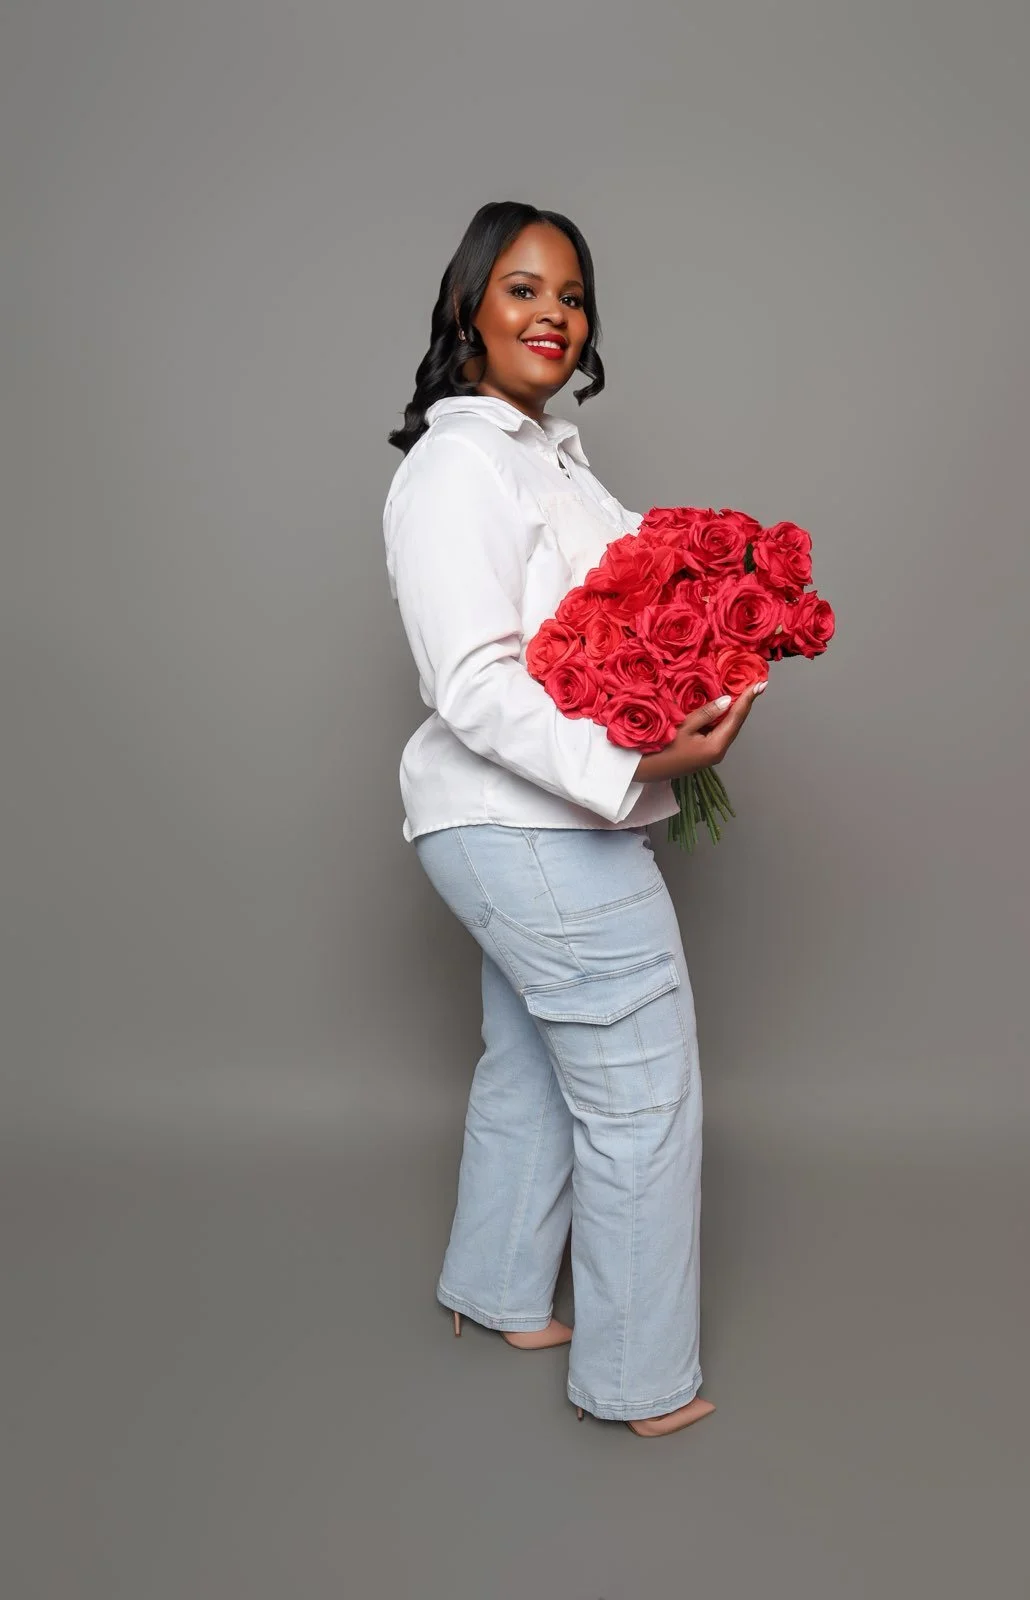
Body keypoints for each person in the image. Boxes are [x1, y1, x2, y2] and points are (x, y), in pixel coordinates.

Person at [383, 200, 764, 1438]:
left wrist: (715, 649)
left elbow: (616, 620)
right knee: (641, 1094)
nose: (552, 313)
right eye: (521, 288)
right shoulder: (458, 466)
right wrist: (636, 751)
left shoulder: (548, 456)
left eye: (571, 295)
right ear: (467, 308)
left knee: (534, 1063)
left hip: (531, 825)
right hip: (530, 829)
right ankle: (638, 1378)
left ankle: (493, 1288)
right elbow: (472, 681)